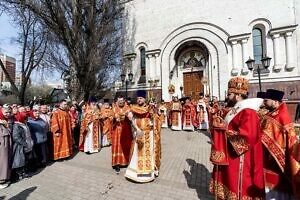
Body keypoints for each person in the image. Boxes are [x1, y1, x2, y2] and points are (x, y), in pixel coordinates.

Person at [209, 77, 265, 199]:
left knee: (237, 185)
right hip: (231, 154)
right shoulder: (238, 108)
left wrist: (223, 130)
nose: (228, 97)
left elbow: (247, 137)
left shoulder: (248, 112)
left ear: (238, 95)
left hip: (241, 158)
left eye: (230, 94)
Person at [260, 89, 300, 199]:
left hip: (279, 161)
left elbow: (282, 137)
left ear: (275, 101)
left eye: (266, 100)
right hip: (267, 159)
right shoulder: (271, 114)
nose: (264, 102)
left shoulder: (281, 115)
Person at [125, 90, 161, 183]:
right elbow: (131, 118)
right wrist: (129, 116)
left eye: (141, 98)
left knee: (149, 153)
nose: (139, 100)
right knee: (137, 153)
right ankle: (135, 173)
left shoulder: (150, 108)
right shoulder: (134, 108)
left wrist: (154, 114)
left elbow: (156, 119)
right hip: (139, 134)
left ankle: (149, 172)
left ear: (145, 99)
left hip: (149, 135)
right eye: (138, 98)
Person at [111, 96, 133, 174]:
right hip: (116, 130)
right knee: (117, 146)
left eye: (122, 101)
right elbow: (110, 119)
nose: (120, 102)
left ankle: (126, 161)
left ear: (124, 101)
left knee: (126, 145)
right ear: (117, 101)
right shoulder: (114, 109)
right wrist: (114, 119)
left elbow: (132, 120)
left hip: (125, 130)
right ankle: (117, 163)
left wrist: (127, 118)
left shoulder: (128, 108)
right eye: (119, 101)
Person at [0, 105, 13, 189]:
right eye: (6, 112)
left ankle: (5, 178)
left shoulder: (7, 121)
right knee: (2, 162)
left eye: (9, 112)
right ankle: (1, 180)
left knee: (6, 162)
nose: (8, 114)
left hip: (7, 145)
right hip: (1, 146)